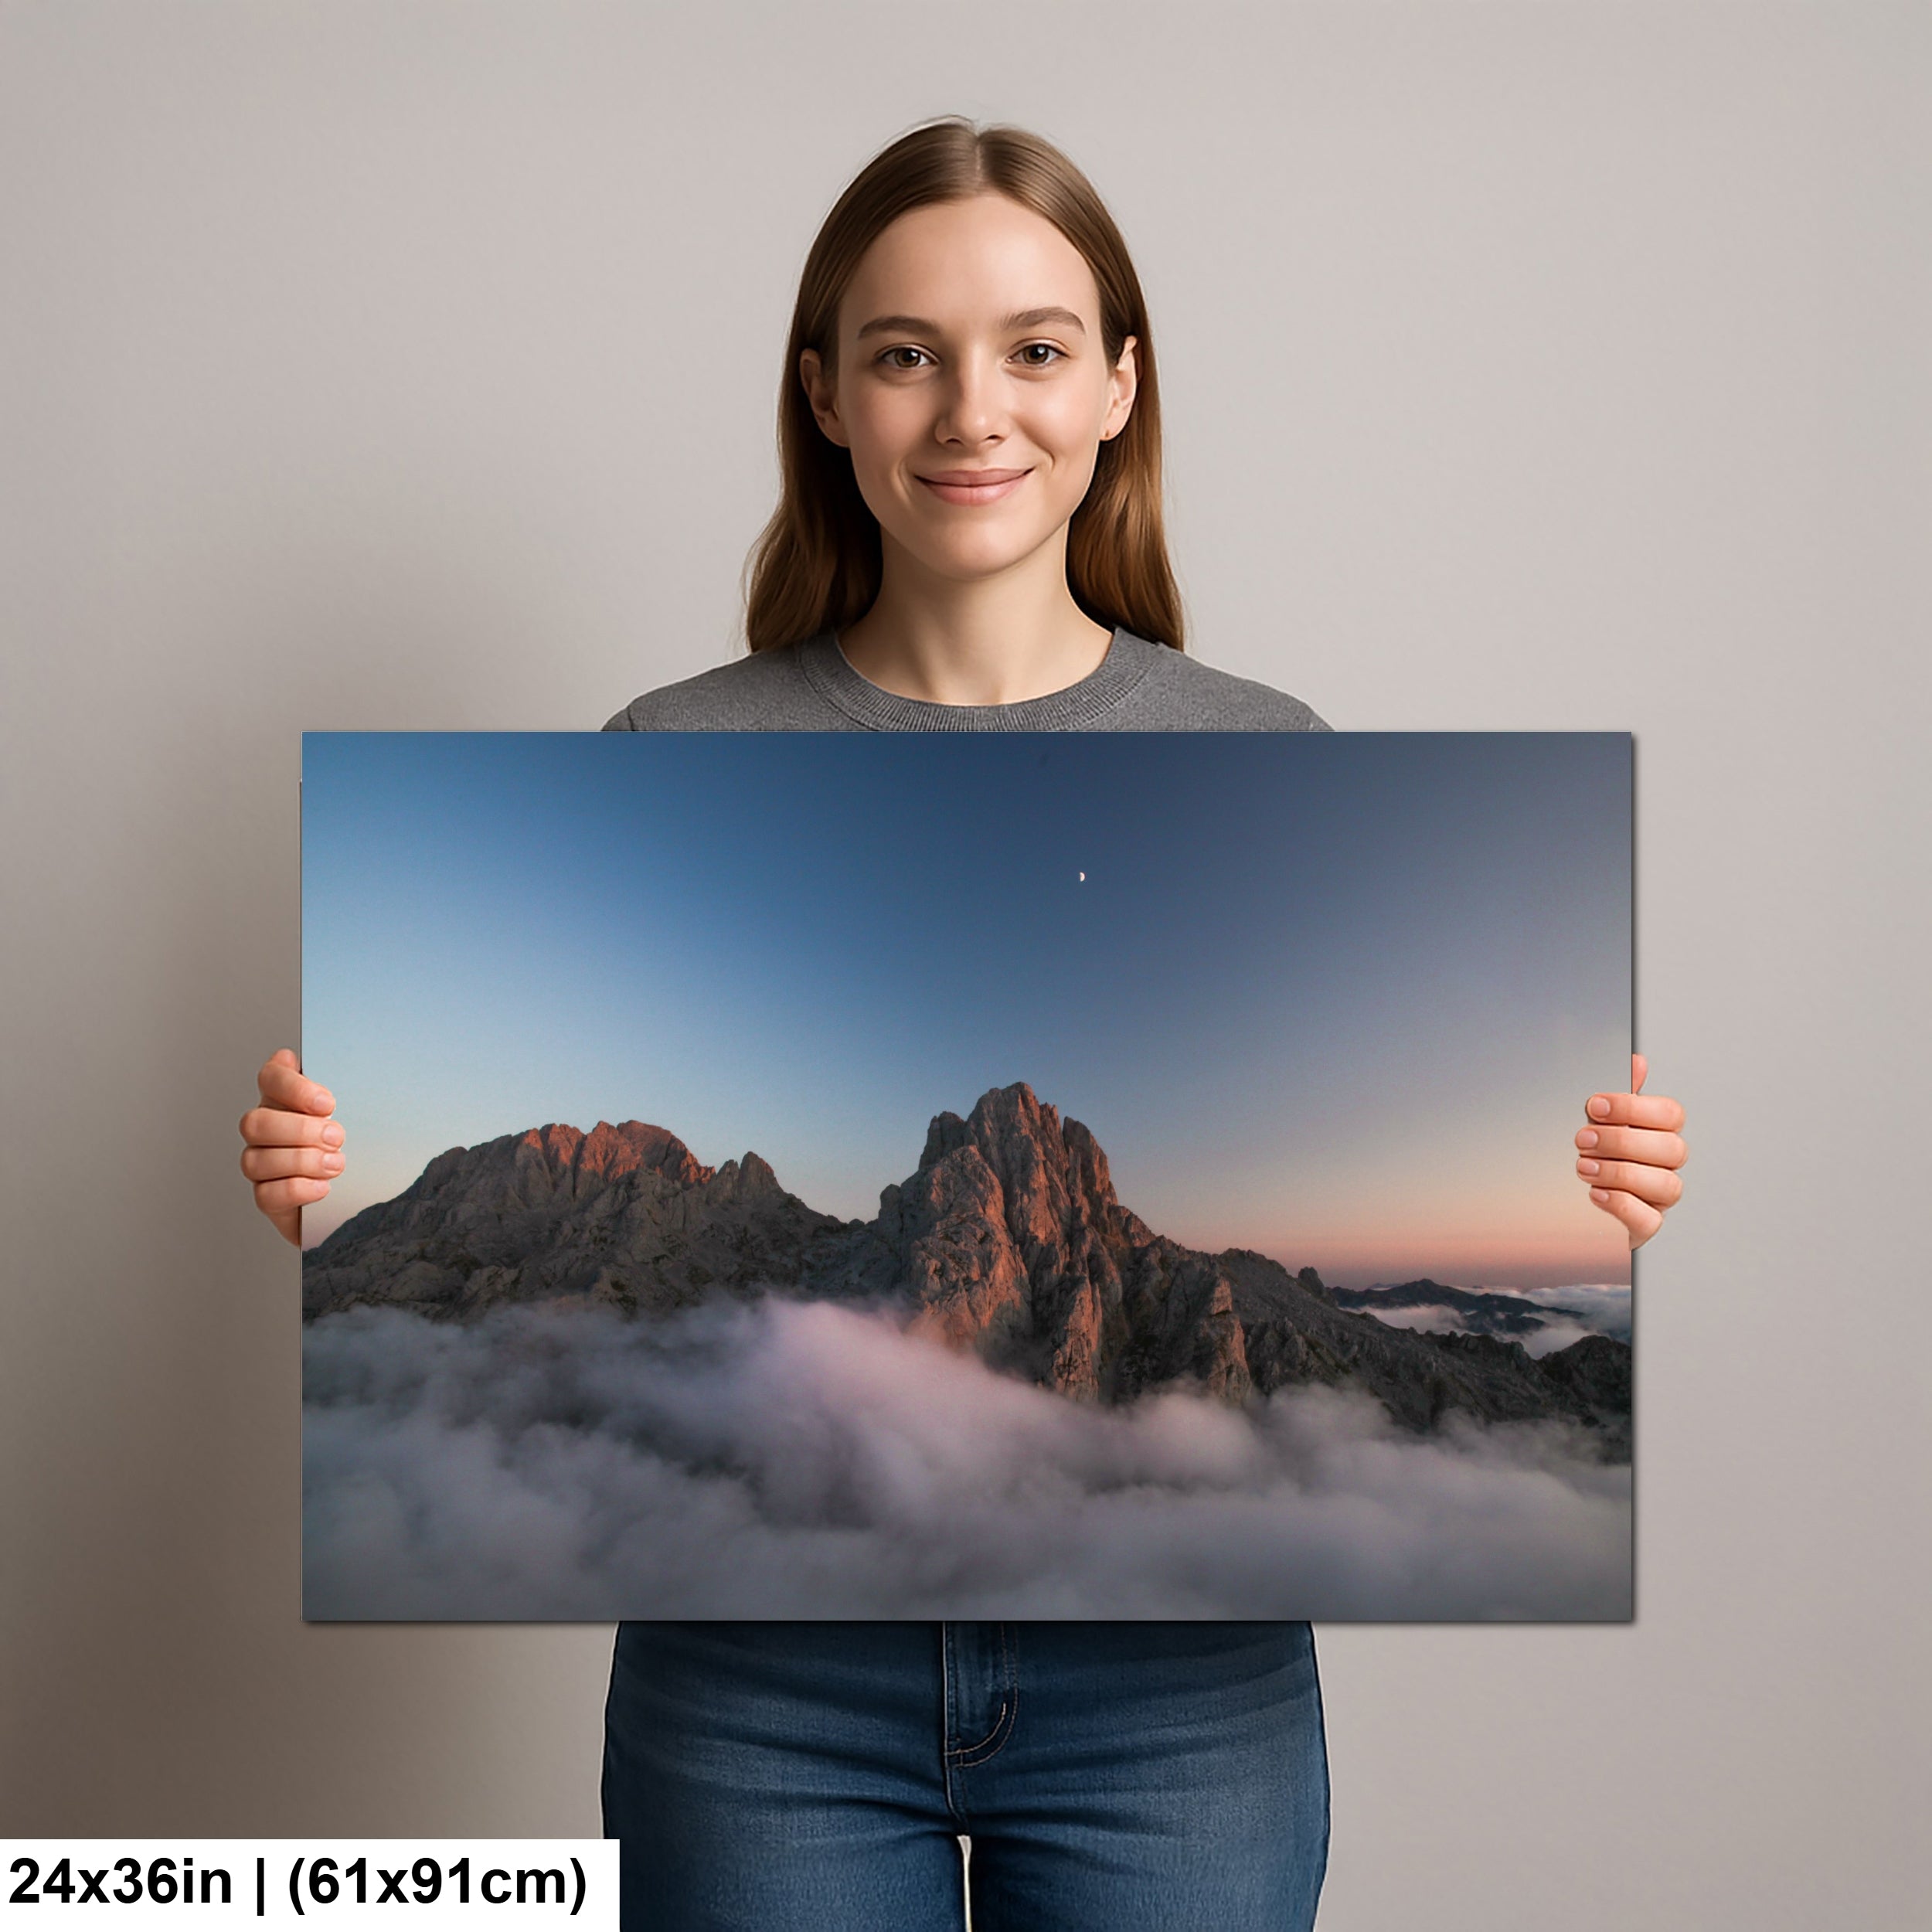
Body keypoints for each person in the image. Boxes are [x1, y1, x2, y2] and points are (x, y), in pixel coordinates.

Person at [240, 117, 1688, 1931]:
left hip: (1183, 1697)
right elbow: (368, 1201)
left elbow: (1565, 1164)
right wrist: (322, 1193)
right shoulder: (672, 755)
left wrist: (1606, 1198)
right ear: (826, 395)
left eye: (1033, 346)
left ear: (1115, 388)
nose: (970, 409)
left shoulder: (1264, 751)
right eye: (904, 352)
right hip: (756, 1692)